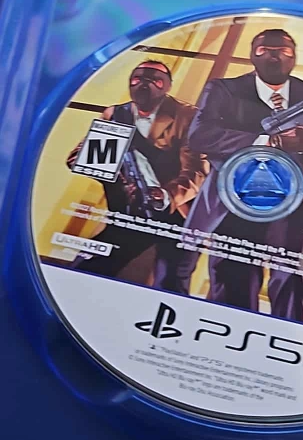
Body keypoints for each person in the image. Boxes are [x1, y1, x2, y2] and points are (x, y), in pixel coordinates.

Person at [185, 28, 303, 322]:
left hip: (299, 204)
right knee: (232, 286)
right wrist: (270, 141)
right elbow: (200, 135)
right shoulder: (224, 89)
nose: (275, 56)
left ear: (294, 57)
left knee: (295, 288)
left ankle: (293, 343)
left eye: (284, 50)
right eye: (265, 49)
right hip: (238, 201)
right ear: (252, 55)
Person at [67, 59, 207, 292]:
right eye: (137, 78)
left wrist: (164, 195)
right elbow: (80, 158)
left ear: (168, 86)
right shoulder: (117, 114)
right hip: (131, 212)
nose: (144, 84)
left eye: (155, 80)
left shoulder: (188, 116)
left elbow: (196, 171)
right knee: (89, 266)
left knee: (171, 280)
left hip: (179, 215)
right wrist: (121, 178)